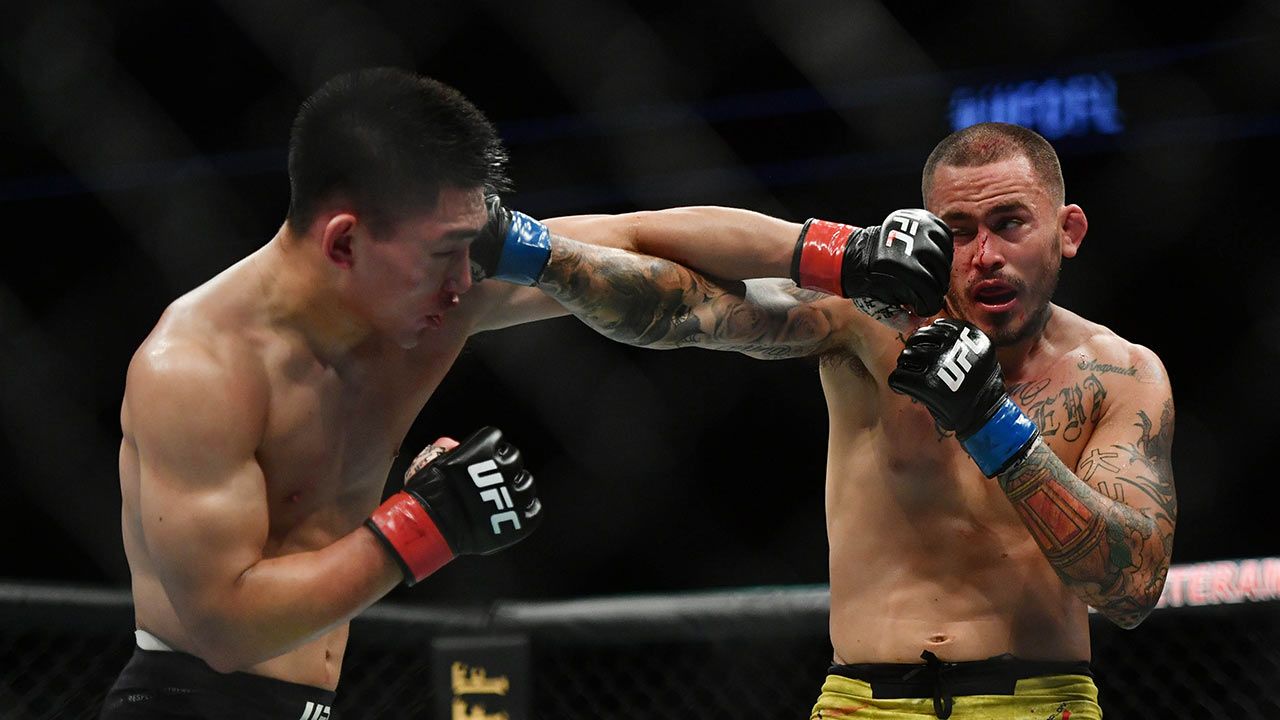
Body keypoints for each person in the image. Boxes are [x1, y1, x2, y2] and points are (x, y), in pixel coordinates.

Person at [476, 121, 1175, 718]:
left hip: (1039, 701)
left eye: (1010, 224)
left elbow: (1131, 589)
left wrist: (991, 422)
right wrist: (529, 249)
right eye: (959, 232)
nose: (985, 256)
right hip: (864, 701)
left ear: (1067, 230)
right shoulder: (868, 323)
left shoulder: (1119, 374)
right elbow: (690, 307)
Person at [101, 67, 594, 719]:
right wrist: (427, 522)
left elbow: (639, 240)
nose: (462, 279)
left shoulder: (391, 325)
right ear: (345, 240)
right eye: (445, 252)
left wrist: (759, 264)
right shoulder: (193, 368)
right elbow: (224, 632)